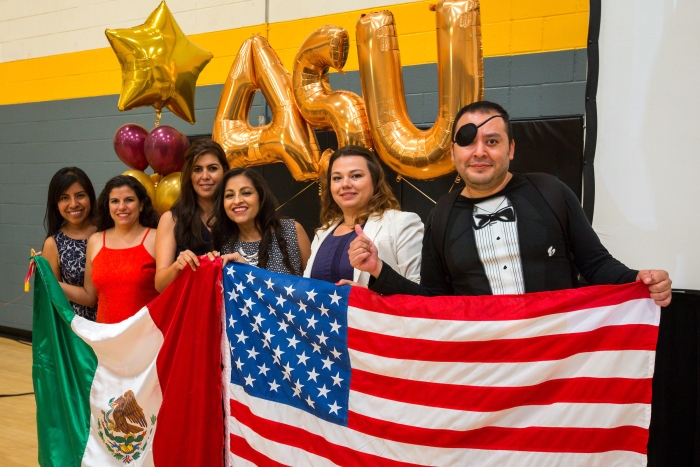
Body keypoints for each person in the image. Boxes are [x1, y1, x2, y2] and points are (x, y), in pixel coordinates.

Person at [350, 101, 672, 306]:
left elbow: (596, 265)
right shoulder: (442, 216)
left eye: (492, 141)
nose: (479, 152)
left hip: (557, 367)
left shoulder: (551, 193)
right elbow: (434, 302)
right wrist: (378, 270)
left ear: (511, 149)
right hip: (486, 373)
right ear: (452, 154)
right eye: (467, 142)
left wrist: (639, 281)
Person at [304, 145, 423, 286]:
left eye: (356, 176)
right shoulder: (322, 233)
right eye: (337, 178)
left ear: (375, 180)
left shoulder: (402, 223)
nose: (345, 184)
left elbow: (418, 294)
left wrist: (365, 298)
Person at [60, 175, 160, 323]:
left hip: (146, 337)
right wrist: (48, 278)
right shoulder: (95, 241)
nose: (121, 207)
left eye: (129, 200)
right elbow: (89, 297)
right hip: (105, 338)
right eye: (115, 201)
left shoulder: (156, 238)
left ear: (141, 204)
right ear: (107, 206)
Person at [208, 168, 311, 275]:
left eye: (246, 193)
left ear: (261, 197)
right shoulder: (223, 241)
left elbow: (317, 286)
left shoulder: (291, 230)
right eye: (229, 195)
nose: (237, 201)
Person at [155, 139, 227, 292]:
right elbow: (160, 285)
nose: (205, 176)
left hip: (232, 311)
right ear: (189, 175)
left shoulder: (237, 215)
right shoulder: (172, 219)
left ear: (225, 171)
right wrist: (177, 266)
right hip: (191, 311)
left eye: (212, 168)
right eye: (197, 169)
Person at [41, 167, 98, 320]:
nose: (73, 204)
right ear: (56, 204)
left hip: (118, 324)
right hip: (79, 330)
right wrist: (45, 278)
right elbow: (54, 300)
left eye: (80, 195)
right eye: (64, 198)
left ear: (90, 197)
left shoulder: (108, 230)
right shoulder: (53, 243)